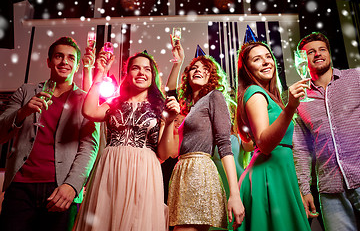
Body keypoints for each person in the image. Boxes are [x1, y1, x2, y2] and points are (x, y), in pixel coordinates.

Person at [0, 36, 100, 231]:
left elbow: (89, 147)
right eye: (59, 56)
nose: (64, 62)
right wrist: (23, 112)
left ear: (77, 65)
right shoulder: (26, 91)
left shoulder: (86, 100)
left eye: (71, 58)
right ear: (49, 61)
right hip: (20, 187)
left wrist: (72, 186)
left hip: (60, 190)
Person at [74, 50, 179, 230]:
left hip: (145, 171)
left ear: (153, 76)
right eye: (135, 68)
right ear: (128, 74)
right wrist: (100, 73)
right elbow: (89, 111)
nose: (141, 73)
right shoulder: (114, 102)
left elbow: (164, 153)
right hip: (111, 167)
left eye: (147, 69)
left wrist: (169, 122)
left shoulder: (161, 106)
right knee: (106, 220)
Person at [236, 41, 311, 230]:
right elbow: (264, 143)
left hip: (280, 174)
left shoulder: (269, 96)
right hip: (268, 177)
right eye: (257, 59)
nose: (266, 62)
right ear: (247, 69)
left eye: (268, 57)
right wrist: (290, 108)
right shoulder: (255, 93)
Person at [167, 49, 245, 231]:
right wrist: (178, 63)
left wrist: (234, 193)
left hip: (199, 171)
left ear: (212, 76)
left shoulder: (214, 97)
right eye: (194, 67)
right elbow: (170, 94)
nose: (198, 70)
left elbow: (225, 145)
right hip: (182, 172)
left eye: (205, 68)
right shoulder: (189, 109)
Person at [293, 32, 360, 231]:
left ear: (329, 54)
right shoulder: (300, 99)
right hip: (330, 190)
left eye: (322, 49)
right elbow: (301, 149)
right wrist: (304, 189)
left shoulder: (355, 78)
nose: (318, 54)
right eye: (311, 52)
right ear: (303, 60)